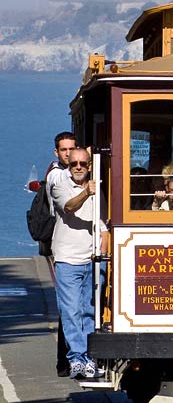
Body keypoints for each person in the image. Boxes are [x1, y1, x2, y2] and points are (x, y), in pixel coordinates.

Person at [50, 147, 109, 379]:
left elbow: (103, 227)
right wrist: (87, 192)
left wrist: (101, 258)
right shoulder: (60, 185)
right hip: (67, 259)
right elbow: (69, 208)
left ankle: (89, 358)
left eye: (82, 164)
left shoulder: (98, 192)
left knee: (89, 311)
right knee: (71, 310)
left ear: (89, 166)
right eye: (73, 163)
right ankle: (76, 358)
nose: (77, 167)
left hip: (91, 259)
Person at [45, 132, 77, 377]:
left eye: (72, 149)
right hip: (65, 246)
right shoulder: (57, 175)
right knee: (68, 306)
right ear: (57, 152)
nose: (69, 154)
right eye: (64, 150)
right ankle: (64, 359)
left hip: (79, 246)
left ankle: (68, 358)